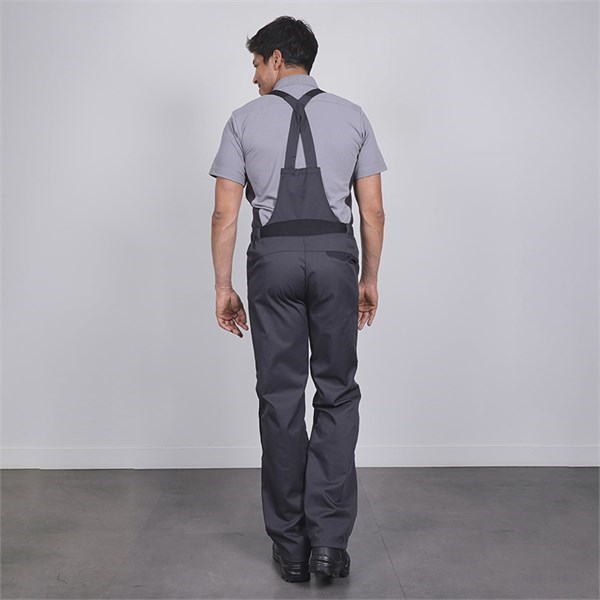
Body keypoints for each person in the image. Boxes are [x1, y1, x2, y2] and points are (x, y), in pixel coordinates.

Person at [209, 15, 386, 583]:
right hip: (335, 261)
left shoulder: (242, 121)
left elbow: (225, 214)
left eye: (257, 64)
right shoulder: (353, 116)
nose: (254, 77)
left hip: (273, 264)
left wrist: (223, 287)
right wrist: (369, 278)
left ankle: (290, 547)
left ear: (278, 59)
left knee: (280, 399)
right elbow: (373, 210)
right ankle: (329, 544)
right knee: (337, 393)